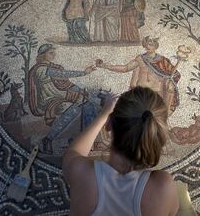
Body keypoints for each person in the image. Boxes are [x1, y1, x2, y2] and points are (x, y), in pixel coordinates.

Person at [62, 86, 179, 216]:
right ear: (156, 134)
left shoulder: (82, 172)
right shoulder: (163, 187)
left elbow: (74, 152)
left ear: (109, 124)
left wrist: (104, 114)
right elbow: (173, 211)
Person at [96, 36, 192, 116]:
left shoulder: (163, 61)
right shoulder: (140, 58)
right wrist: (105, 65)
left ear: (155, 46)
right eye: (146, 45)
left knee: (153, 120)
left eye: (150, 44)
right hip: (140, 93)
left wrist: (170, 79)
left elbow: (175, 74)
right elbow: (125, 68)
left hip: (157, 93)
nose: (148, 47)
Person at [28, 44, 97, 153]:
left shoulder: (51, 67)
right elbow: (62, 75)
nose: (53, 54)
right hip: (49, 98)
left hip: (60, 95)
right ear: (42, 55)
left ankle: (86, 139)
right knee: (74, 107)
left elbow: (65, 84)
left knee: (88, 105)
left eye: (53, 52)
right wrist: (84, 72)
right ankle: (47, 140)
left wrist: (79, 90)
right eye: (50, 52)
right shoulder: (40, 69)